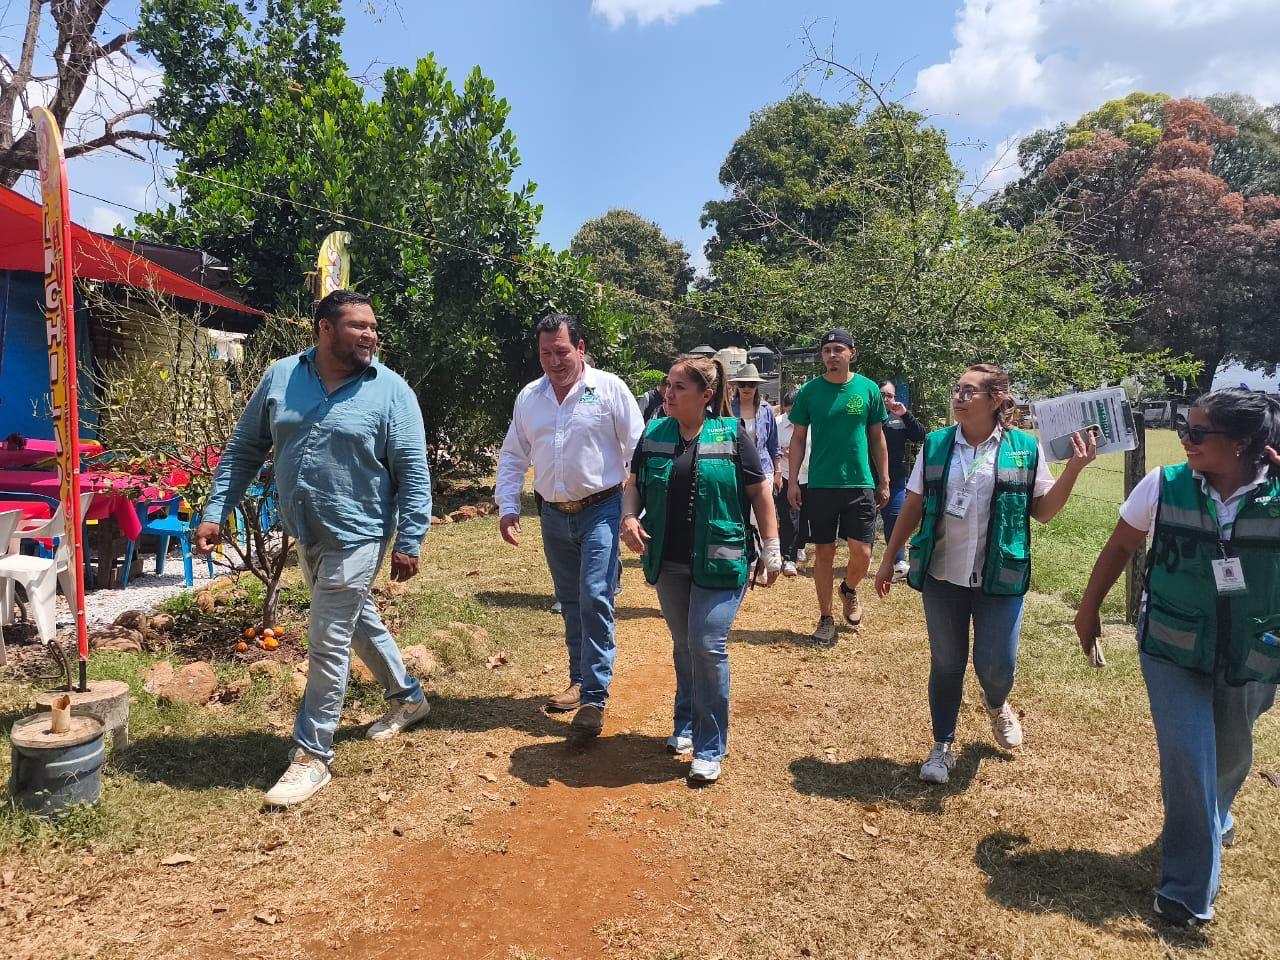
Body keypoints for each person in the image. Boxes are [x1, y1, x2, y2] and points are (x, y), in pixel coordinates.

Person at [196, 290, 433, 807]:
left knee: (327, 637)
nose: (370, 335)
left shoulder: (392, 391)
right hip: (306, 531)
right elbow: (244, 448)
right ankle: (408, 698)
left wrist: (410, 539)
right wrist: (216, 511)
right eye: (358, 326)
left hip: (360, 531)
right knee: (356, 620)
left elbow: (414, 472)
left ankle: (312, 754)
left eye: (373, 327)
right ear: (325, 328)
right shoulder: (282, 377)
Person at [1074, 390, 1280, 928]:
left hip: (1252, 653)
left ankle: (1215, 813)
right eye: (1185, 427)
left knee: (1230, 754)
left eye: (1198, 432)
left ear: (1242, 443)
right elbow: (1120, 546)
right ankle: (1187, 893)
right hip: (1172, 646)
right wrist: (1088, 609)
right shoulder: (1163, 485)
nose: (1185, 439)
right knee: (1189, 758)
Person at [874, 363, 1096, 784]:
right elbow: (914, 505)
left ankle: (996, 703)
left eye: (969, 391)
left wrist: (1074, 469)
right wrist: (889, 559)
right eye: (957, 389)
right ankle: (942, 745)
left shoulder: (1024, 448)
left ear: (996, 400)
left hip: (1001, 575)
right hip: (942, 574)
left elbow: (1044, 512)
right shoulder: (937, 444)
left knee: (997, 666)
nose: (958, 397)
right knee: (947, 662)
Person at [622, 354, 782, 783]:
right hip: (669, 561)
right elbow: (634, 485)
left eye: (679, 387)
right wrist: (629, 517)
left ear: (706, 395)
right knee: (684, 644)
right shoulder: (654, 432)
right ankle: (686, 724)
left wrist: (772, 547)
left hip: (721, 560)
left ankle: (710, 747)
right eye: (668, 385)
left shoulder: (732, 434)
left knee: (707, 644)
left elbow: (760, 493)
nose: (668, 393)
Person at [496, 314, 644, 736]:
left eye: (561, 351)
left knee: (595, 594)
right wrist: (508, 505)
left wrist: (635, 512)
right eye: (545, 353)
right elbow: (513, 454)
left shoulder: (609, 389)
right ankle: (579, 680)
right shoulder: (530, 397)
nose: (554, 361)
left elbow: (638, 449)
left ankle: (594, 697)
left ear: (580, 348)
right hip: (553, 514)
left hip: (603, 508)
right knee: (570, 600)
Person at [786, 330, 889, 644]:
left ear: (851, 353)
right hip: (820, 485)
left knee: (863, 553)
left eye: (838, 349)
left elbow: (877, 437)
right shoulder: (809, 392)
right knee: (824, 553)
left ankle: (849, 589)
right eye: (827, 350)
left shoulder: (868, 389)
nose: (832, 355)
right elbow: (798, 438)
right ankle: (825, 617)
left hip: (859, 483)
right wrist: (793, 481)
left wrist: (884, 480)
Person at [878, 380, 928, 581]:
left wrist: (905, 415)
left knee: (895, 517)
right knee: (865, 520)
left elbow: (920, 435)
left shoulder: (899, 418)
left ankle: (898, 562)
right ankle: (861, 558)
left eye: (889, 395)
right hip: (867, 477)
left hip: (896, 479)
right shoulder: (866, 416)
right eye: (882, 395)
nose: (886, 399)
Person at [775, 388, 811, 577]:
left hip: (807, 475)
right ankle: (788, 558)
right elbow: (771, 447)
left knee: (804, 516)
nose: (791, 416)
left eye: (794, 411)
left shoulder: (812, 423)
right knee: (788, 517)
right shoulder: (777, 424)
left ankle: (800, 546)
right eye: (788, 412)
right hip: (786, 475)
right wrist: (782, 453)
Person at [729, 363, 782, 490]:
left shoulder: (766, 409)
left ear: (757, 386)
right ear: (737, 386)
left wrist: (778, 471)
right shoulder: (728, 409)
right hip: (735, 468)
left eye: (751, 384)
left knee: (762, 503)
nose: (746, 388)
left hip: (763, 468)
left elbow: (774, 443)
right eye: (742, 384)